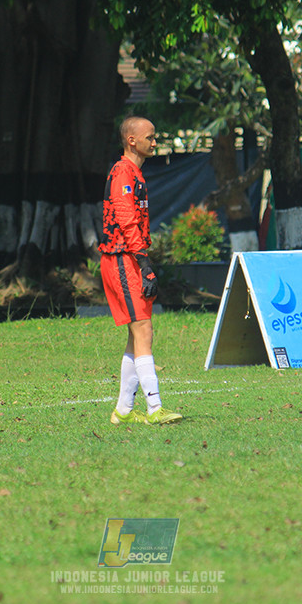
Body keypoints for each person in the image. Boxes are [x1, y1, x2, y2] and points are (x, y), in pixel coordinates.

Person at [99, 116, 182, 425]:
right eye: (150, 136)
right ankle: (154, 407)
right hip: (123, 259)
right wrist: (143, 261)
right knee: (143, 330)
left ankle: (122, 410)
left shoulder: (134, 172)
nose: (155, 141)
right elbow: (125, 218)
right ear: (132, 140)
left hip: (130, 258)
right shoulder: (123, 171)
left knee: (138, 335)